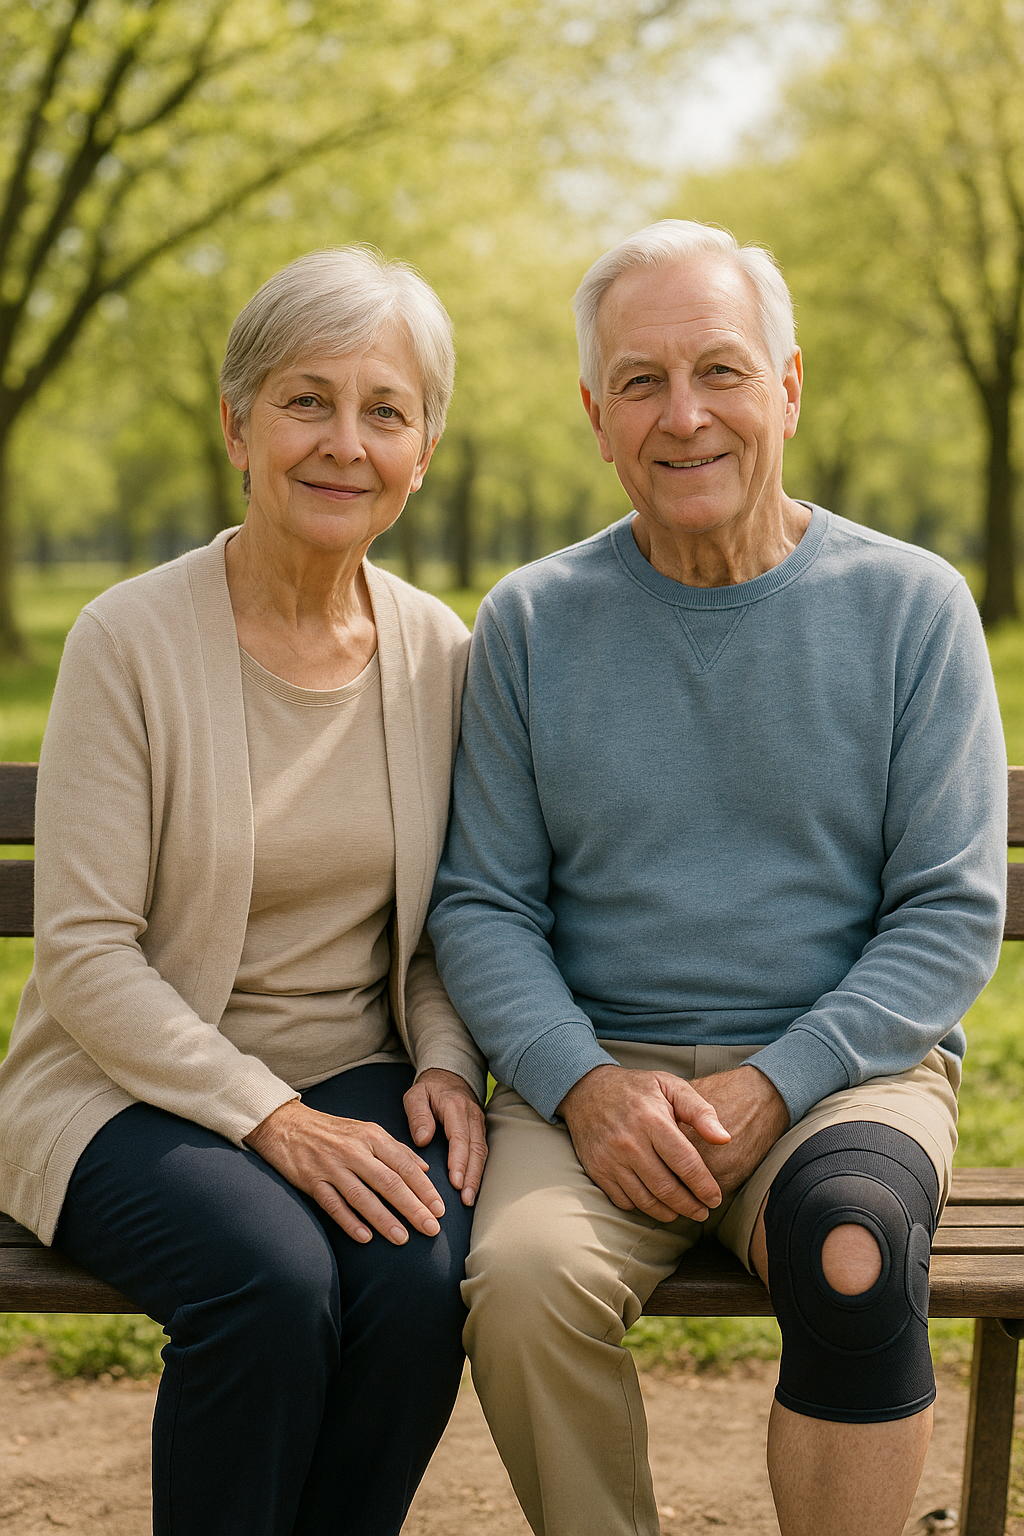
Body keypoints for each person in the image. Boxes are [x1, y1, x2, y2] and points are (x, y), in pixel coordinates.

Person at [428, 219, 1007, 1536]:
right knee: (518, 1282)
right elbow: (485, 904)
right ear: (595, 414)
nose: (683, 415)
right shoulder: (530, 619)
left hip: (839, 1078)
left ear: (789, 387)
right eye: (640, 381)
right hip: (592, 1085)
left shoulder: (912, 608)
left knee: (855, 1253)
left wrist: (773, 1082)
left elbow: (948, 912)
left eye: (722, 372)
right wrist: (581, 1083)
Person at [0, 245, 487, 1536]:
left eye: (385, 409)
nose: (344, 442)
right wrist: (271, 1119)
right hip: (124, 1087)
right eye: (305, 400)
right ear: (238, 423)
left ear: (423, 447)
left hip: (356, 1073)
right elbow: (89, 957)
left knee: (426, 1279)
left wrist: (440, 1059)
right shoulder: (128, 640)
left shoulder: (442, 652)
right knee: (269, 1279)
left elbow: (441, 925)